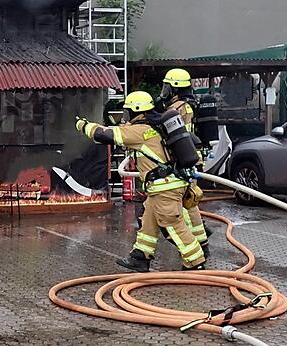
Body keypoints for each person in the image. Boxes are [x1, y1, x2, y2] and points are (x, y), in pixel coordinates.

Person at [76, 91, 206, 272]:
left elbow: (104, 135)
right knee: (148, 221)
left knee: (172, 225)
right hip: (164, 186)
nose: (126, 115)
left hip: (165, 188)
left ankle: (196, 262)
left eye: (128, 111)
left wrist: (83, 125)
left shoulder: (140, 131)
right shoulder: (156, 125)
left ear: (137, 111)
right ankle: (140, 257)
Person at [157, 68, 212, 257]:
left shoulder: (179, 108)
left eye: (167, 87)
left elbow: (175, 135)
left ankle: (197, 245)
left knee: (186, 202)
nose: (165, 92)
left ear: (176, 88)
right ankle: (201, 240)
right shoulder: (186, 104)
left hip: (184, 160)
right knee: (189, 202)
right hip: (189, 157)